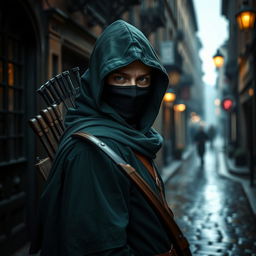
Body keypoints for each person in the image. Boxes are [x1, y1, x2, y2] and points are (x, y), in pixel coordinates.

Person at [30, 20, 186, 256]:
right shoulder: (91, 153)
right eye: (120, 78)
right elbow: (98, 250)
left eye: (142, 79)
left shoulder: (130, 138)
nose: (133, 90)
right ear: (101, 82)